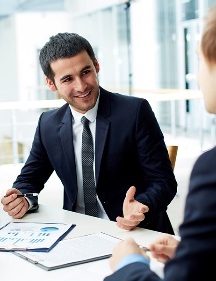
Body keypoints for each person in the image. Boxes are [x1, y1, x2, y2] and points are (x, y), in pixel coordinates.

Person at [1, 32, 177, 234]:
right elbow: (29, 180)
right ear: (51, 84)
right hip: (77, 231)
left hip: (133, 230)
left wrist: (142, 205)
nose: (81, 86)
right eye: (67, 79)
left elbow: (163, 182)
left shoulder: (135, 112)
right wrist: (22, 198)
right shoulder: (47, 124)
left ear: (96, 65)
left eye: (86, 72)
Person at [104, 6, 216, 281]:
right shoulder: (48, 123)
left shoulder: (211, 169)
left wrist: (129, 263)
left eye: (198, 59)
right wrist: (194, 254)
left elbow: (163, 181)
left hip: (130, 241)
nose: (197, 76)